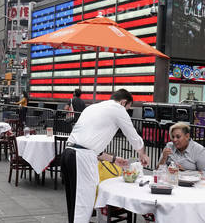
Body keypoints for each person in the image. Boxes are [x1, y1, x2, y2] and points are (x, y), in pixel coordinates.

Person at [61, 89, 149, 223]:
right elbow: (132, 135)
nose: (127, 112)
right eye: (128, 108)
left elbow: (89, 143)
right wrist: (142, 154)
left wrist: (114, 159)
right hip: (80, 157)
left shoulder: (93, 107)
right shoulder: (118, 109)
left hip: (69, 152)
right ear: (123, 102)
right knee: (82, 204)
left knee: (74, 202)